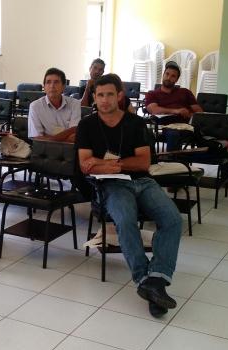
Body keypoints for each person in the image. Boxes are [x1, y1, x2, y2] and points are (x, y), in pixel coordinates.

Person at [77, 73, 182, 318]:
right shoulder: (87, 125)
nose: (104, 100)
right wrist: (114, 167)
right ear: (94, 97)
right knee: (125, 220)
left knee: (173, 219)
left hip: (143, 182)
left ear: (120, 95)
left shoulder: (135, 123)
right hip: (111, 185)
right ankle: (145, 279)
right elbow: (85, 165)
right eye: (100, 95)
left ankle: (154, 279)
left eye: (109, 94)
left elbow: (143, 162)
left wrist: (112, 164)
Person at [145, 61, 228, 191]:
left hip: (188, 127)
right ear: (163, 75)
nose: (169, 77)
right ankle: (175, 179)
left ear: (177, 79)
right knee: (173, 134)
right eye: (167, 74)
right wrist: (177, 111)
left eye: (173, 76)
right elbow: (154, 110)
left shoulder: (185, 92)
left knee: (224, 139)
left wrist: (189, 114)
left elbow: (199, 111)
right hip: (166, 128)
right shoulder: (152, 94)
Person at [27, 67, 81, 142]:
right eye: (48, 82)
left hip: (68, 149)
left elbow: (74, 136)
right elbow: (37, 138)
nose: (52, 86)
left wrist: (46, 137)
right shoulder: (35, 106)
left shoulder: (75, 104)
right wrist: (67, 134)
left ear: (63, 86)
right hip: (44, 149)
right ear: (44, 87)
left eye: (56, 82)